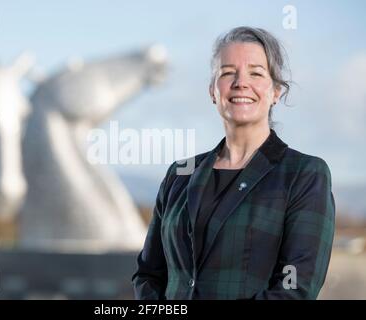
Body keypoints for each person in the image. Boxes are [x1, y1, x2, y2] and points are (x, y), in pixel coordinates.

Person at [132, 26, 335, 300]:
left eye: (256, 73)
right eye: (228, 72)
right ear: (213, 90)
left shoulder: (304, 175)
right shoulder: (179, 174)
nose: (241, 82)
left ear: (276, 91)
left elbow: (295, 289)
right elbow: (148, 274)